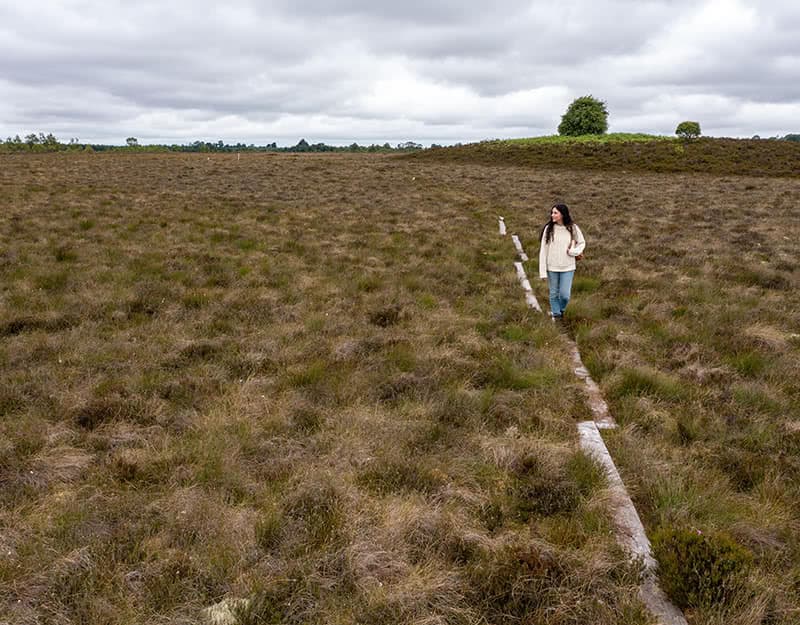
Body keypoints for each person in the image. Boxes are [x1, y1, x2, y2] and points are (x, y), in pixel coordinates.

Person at [538, 203, 585, 320]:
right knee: (553, 294)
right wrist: (542, 272)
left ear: (563, 214)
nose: (552, 215)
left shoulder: (573, 227)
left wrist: (574, 252)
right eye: (552, 212)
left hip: (568, 267)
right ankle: (557, 316)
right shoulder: (549, 229)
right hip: (552, 267)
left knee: (565, 295)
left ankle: (560, 310)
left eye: (555, 213)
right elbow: (543, 250)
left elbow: (582, 243)